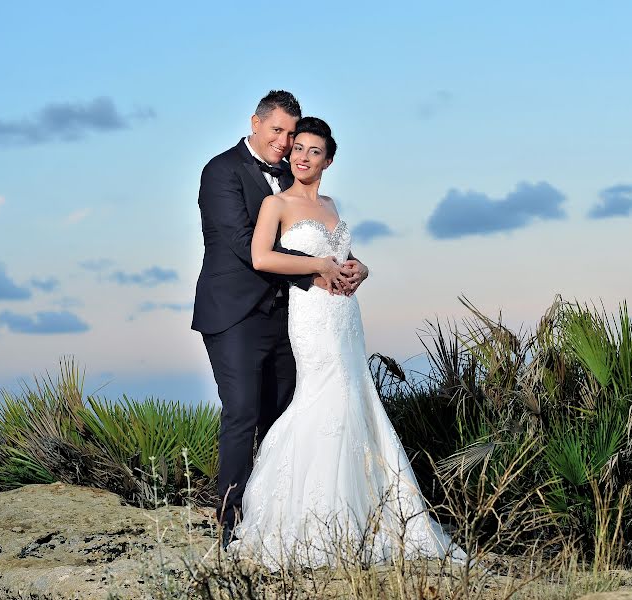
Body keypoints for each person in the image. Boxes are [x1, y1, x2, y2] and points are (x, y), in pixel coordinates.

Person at [232, 116, 464, 568]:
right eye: (297, 148)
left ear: (328, 160)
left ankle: (362, 514)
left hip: (346, 315)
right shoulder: (276, 205)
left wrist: (363, 268)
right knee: (323, 399)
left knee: (355, 399)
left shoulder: (333, 206)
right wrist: (318, 265)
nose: (301, 156)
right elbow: (262, 257)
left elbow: (344, 258)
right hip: (313, 315)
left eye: (313, 151)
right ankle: (310, 516)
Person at [191, 92, 369, 544]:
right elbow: (244, 242)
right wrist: (318, 271)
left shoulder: (297, 183)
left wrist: (352, 264)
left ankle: (280, 518)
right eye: (278, 132)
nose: (286, 144)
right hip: (234, 314)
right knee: (242, 413)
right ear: (255, 123)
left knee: (286, 416)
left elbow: (315, 237)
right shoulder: (221, 171)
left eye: (293, 135)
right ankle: (230, 525)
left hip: (290, 317)